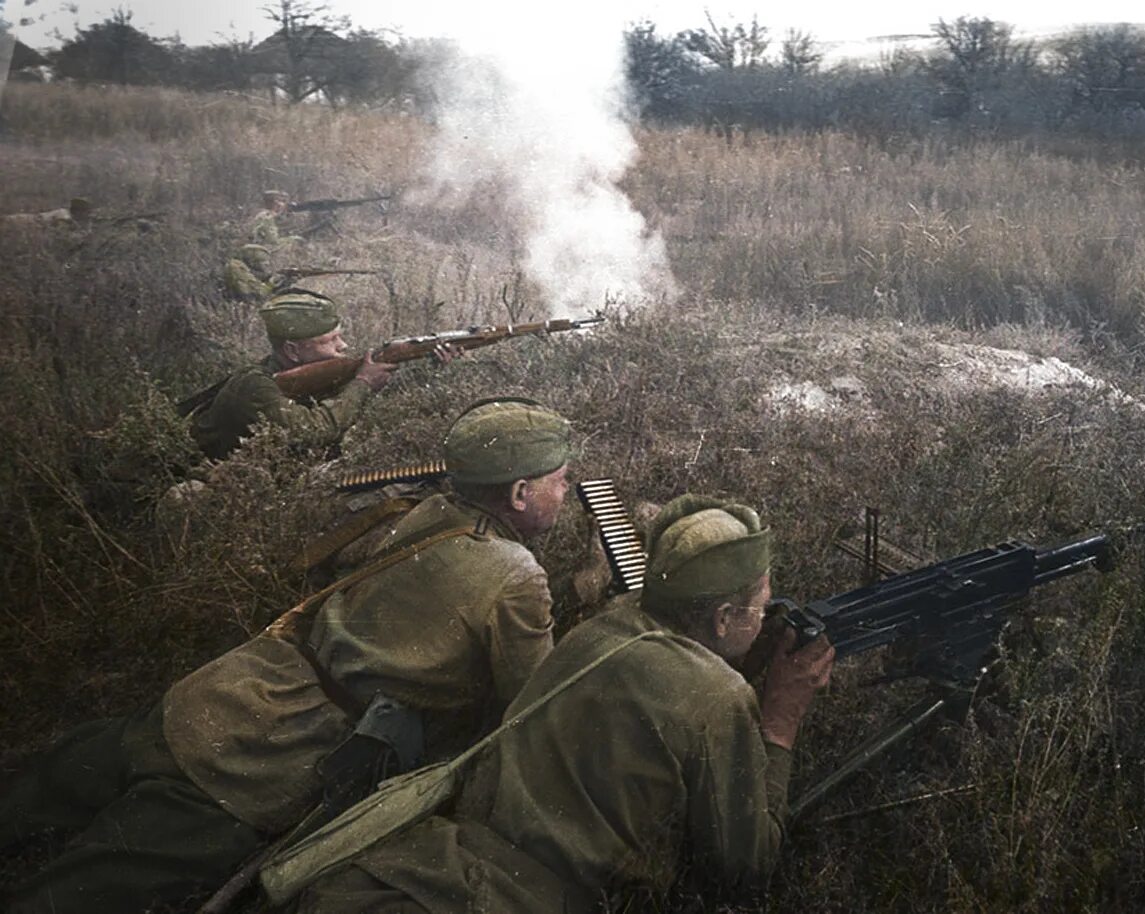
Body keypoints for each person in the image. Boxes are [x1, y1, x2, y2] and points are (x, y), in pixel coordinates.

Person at [1, 398, 576, 914]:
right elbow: (533, 702)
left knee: (47, 786)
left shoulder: (430, 514)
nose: (568, 491)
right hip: (266, 757)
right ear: (520, 494)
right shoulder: (516, 575)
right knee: (75, 891)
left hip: (227, 690)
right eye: (560, 479)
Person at [291, 493, 836, 913]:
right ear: (721, 619)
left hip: (425, 866)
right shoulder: (720, 697)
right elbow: (746, 867)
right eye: (759, 608)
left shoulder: (600, 630)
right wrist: (780, 721)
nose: (764, 618)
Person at [188, 289, 393, 460]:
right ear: (292, 351)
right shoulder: (255, 385)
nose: (343, 345)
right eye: (330, 340)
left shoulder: (302, 377)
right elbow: (313, 431)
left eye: (339, 336)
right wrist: (363, 383)